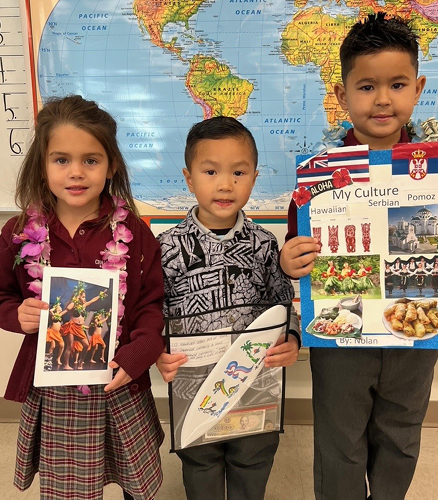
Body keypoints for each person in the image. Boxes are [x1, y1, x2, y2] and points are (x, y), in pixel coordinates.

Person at [277, 13, 438, 500]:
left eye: (397, 84)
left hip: (417, 333)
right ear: (342, 96)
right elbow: (296, 252)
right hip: (341, 335)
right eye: (366, 86)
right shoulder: (317, 181)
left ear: (418, 88)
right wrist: (291, 262)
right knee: (339, 440)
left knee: (401, 434)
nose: (383, 99)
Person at [0, 95, 166, 500]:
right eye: (61, 159)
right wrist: (17, 314)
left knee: (136, 482)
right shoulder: (18, 232)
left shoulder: (135, 233)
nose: (76, 173)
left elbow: (152, 306)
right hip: (55, 390)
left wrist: (141, 353)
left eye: (91, 160)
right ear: (42, 164)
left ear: (111, 165)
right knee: (68, 487)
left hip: (118, 381)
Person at [155, 116, 302, 500]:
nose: (225, 184)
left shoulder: (264, 243)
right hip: (194, 386)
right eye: (210, 171)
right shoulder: (167, 247)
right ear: (189, 178)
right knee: (200, 464)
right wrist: (157, 351)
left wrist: (292, 336)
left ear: (254, 176)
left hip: (255, 385)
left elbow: (283, 302)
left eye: (239, 172)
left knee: (252, 463)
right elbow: (152, 311)